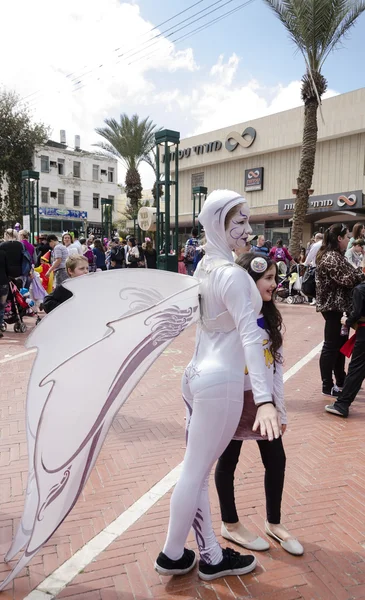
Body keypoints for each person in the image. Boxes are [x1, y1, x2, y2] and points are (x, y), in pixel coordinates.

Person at [155, 190, 281, 581]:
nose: (246, 228)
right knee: (195, 473)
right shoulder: (232, 275)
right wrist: (265, 400)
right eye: (237, 222)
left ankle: (205, 553)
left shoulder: (205, 269)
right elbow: (251, 336)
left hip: (197, 376)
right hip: (219, 382)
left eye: (246, 219)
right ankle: (173, 553)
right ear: (216, 226)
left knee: (197, 471)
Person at [214, 253, 303, 557]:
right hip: (234, 401)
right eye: (268, 278)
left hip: (263, 402)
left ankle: (274, 523)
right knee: (228, 462)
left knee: (276, 460)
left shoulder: (270, 316)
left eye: (275, 277)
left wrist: (279, 408)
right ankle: (230, 522)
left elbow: (275, 367)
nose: (275, 284)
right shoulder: (231, 319)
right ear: (247, 283)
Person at [316, 223, 365, 398]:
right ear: (339, 239)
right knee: (331, 346)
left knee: (339, 346)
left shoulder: (337, 256)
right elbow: (349, 279)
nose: (348, 240)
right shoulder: (331, 257)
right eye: (346, 237)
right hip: (333, 308)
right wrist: (361, 274)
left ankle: (341, 380)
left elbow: (353, 275)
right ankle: (327, 384)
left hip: (341, 308)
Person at [325, 281, 365, 418]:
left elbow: (356, 313)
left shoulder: (360, 290)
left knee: (357, 369)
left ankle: (342, 404)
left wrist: (347, 321)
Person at [0, 248, 8, 338]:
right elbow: (7, 268)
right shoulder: (3, 253)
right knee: (1, 305)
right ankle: (0, 324)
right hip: (3, 282)